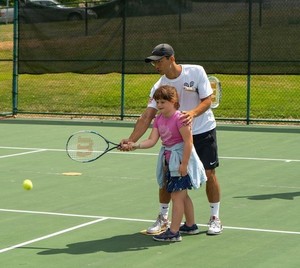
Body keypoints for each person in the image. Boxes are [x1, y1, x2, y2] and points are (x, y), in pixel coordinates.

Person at [120, 43, 223, 235]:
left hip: (203, 130)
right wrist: (131, 141)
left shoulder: (196, 71)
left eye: (159, 61)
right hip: (176, 139)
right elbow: (146, 116)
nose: (156, 66)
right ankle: (163, 218)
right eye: (154, 63)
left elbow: (208, 100)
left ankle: (215, 217)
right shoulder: (159, 86)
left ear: (171, 59)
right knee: (167, 179)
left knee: (209, 174)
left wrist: (192, 113)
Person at [123, 85, 206, 242]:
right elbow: (152, 141)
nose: (159, 105)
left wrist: (184, 164)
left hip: (181, 159)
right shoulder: (159, 119)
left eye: (163, 102)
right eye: (158, 102)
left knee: (176, 196)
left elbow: (188, 142)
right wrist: (135, 145)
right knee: (182, 194)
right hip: (169, 159)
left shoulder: (180, 118)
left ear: (173, 101)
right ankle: (190, 225)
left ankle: (174, 232)